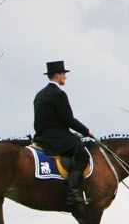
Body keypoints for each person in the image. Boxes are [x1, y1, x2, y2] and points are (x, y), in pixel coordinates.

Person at [33, 60, 95, 210]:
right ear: (58, 75)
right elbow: (68, 120)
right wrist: (86, 131)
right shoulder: (59, 94)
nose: (65, 77)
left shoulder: (40, 94)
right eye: (64, 74)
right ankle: (73, 193)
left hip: (42, 135)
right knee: (82, 154)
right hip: (56, 137)